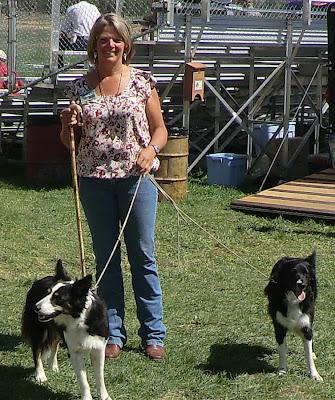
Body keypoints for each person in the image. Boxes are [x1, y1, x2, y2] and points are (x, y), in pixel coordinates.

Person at [59, 13, 168, 361]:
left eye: (115, 39)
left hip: (136, 181)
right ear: (93, 45)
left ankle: (154, 333)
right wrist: (67, 125)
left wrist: (150, 150)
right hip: (94, 181)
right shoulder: (79, 88)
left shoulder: (141, 83)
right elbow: (70, 141)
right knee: (106, 259)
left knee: (142, 255)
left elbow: (160, 131)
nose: (110, 45)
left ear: (126, 44)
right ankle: (112, 332)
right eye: (103, 39)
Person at [58, 1, 101, 68]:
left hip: (81, 41)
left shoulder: (72, 9)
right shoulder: (94, 8)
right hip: (95, 41)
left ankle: (59, 67)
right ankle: (96, 65)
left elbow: (64, 31)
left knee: (59, 43)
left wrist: (68, 36)